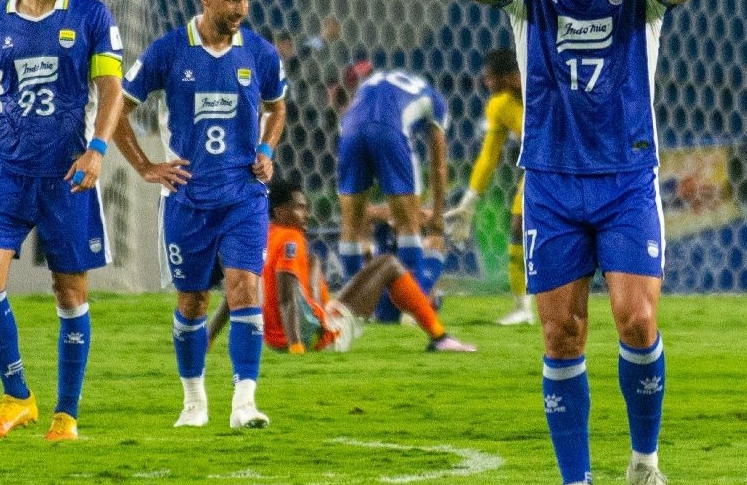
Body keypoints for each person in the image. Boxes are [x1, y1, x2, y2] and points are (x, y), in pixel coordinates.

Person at [455, 0, 706, 485]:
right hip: (550, 183)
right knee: (561, 333)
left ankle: (644, 463)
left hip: (623, 179)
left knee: (635, 322)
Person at [0, 0, 125, 443]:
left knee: (70, 293)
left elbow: (112, 89)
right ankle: (16, 397)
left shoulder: (93, 16)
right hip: (7, 173)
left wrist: (98, 149)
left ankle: (65, 415)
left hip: (67, 176)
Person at [111, 0, 286, 430]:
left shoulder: (261, 53)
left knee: (245, 286)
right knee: (192, 302)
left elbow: (278, 107)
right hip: (187, 199)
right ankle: (194, 401)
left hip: (244, 196)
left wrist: (267, 147)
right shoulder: (169, 52)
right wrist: (146, 166)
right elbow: (117, 109)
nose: (241, 8)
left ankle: (244, 401)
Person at [215, 180, 474, 353]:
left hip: (276, 340)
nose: (307, 215)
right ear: (280, 211)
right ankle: (440, 337)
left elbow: (235, 293)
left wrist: (207, 338)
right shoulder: (290, 237)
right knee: (389, 264)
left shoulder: (257, 237)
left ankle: (328, 313)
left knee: (314, 261)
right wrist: (297, 348)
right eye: (300, 208)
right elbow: (286, 297)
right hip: (316, 340)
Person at [334, 66, 449, 305]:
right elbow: (439, 165)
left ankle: (350, 308)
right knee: (408, 225)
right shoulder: (435, 99)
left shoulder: (372, 85)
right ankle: (414, 303)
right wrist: (438, 213)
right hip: (389, 129)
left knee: (350, 225)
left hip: (349, 128)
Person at [446, 48, 532, 326]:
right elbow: (489, 155)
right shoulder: (500, 106)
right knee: (518, 227)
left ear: (511, 76)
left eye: (490, 78)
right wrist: (468, 202)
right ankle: (523, 307)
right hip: (539, 169)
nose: (486, 84)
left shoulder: (545, 89)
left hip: (582, 164)